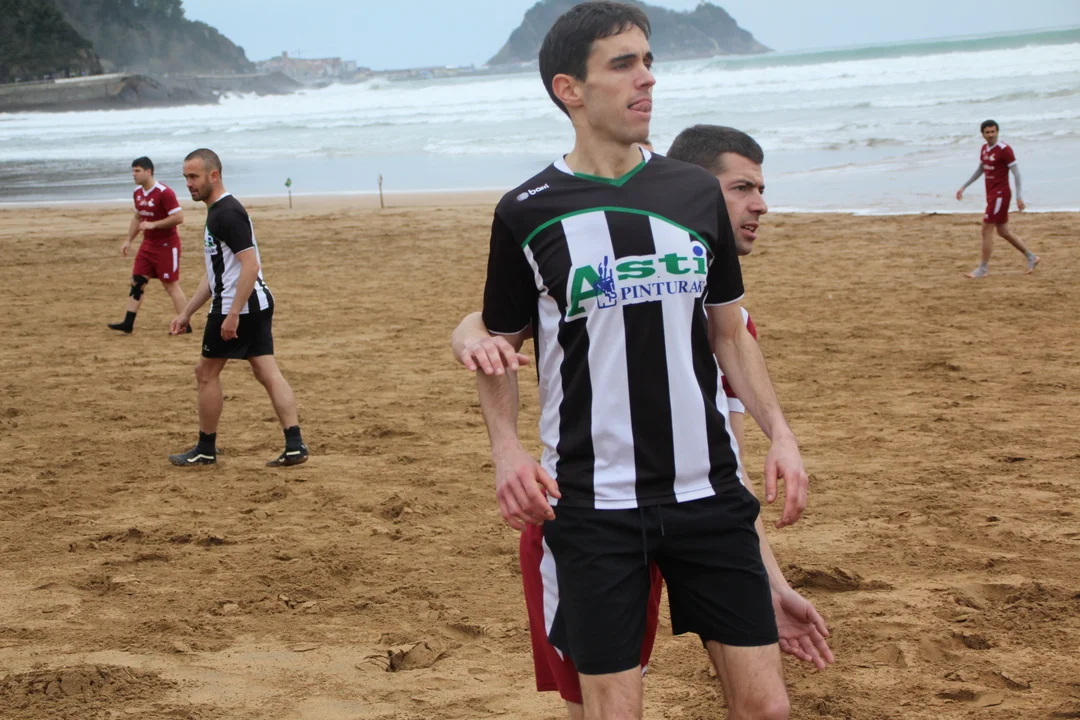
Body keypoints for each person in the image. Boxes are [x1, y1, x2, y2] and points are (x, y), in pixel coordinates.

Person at [470, 4, 810, 717]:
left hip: (709, 493)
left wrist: (780, 433)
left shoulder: (692, 191)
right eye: (623, 65)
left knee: (768, 708)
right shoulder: (526, 210)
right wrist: (505, 451)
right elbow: (498, 342)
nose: (646, 78)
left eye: (648, 62)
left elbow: (729, 332)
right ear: (570, 89)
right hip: (593, 506)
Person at [167, 148, 308, 468]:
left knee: (205, 373)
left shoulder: (226, 213)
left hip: (238, 307)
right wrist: (187, 312)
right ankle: (295, 444)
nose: (188, 183)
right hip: (253, 303)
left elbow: (250, 265)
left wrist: (231, 315)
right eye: (185, 177)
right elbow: (216, 274)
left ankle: (205, 449)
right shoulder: (219, 211)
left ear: (214, 175)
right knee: (266, 371)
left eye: (194, 176)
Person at [108, 157, 189, 334]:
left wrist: (154, 224)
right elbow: (137, 217)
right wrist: (129, 240)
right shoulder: (137, 192)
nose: (133, 174)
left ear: (148, 171)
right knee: (137, 282)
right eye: (133, 171)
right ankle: (128, 323)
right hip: (147, 246)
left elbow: (179, 217)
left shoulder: (164, 192)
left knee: (171, 285)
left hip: (167, 246)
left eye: (137, 171)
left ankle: (185, 324)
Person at [955, 120, 1039, 278]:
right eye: (987, 132)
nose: (991, 135)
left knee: (986, 230)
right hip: (991, 194)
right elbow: (981, 169)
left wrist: (1019, 197)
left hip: (1000, 195)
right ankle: (1031, 257)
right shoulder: (984, 149)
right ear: (983, 134)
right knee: (1003, 231)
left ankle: (983, 269)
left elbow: (1017, 173)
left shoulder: (1004, 149)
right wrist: (964, 186)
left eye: (993, 132)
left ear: (997, 132)